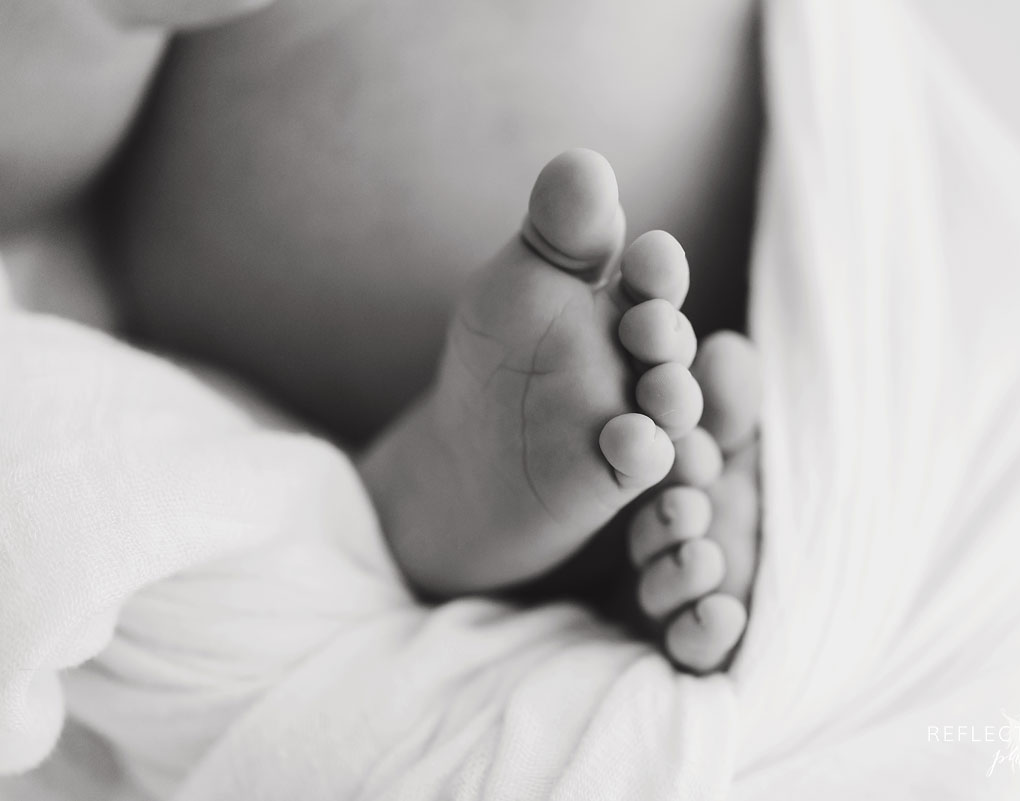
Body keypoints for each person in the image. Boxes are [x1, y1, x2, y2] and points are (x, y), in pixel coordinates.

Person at [2, 0, 765, 673]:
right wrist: (91, 23)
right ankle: (452, 503)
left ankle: (541, 519)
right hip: (184, 207)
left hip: (705, 251)